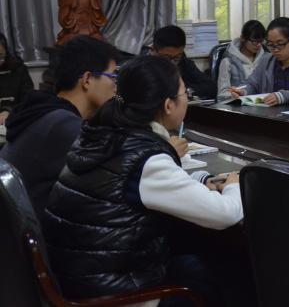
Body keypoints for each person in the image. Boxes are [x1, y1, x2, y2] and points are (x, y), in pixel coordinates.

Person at [43, 56, 245, 302]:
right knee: (229, 271)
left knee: (205, 261)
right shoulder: (145, 157)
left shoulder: (103, 134)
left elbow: (149, 186)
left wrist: (202, 182)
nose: (187, 99)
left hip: (82, 279)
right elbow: (225, 214)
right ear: (168, 105)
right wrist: (235, 184)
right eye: (185, 93)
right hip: (116, 294)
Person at [0, 36, 122, 217]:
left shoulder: (46, 111)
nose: (116, 87)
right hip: (38, 229)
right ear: (87, 79)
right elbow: (115, 175)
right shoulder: (63, 126)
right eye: (113, 77)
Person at [228, 17, 289, 107]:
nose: (275, 50)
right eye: (271, 45)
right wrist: (243, 91)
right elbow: (252, 84)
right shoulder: (267, 60)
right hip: (268, 114)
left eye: (280, 44)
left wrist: (283, 96)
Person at [151, 25, 217, 100]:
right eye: (166, 57)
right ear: (153, 50)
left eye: (176, 57)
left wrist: (184, 90)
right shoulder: (144, 67)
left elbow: (211, 87)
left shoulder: (183, 62)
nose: (172, 63)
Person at [216, 20, 268, 100]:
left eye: (261, 41)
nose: (259, 45)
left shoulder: (266, 58)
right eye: (254, 41)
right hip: (239, 103)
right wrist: (233, 95)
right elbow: (222, 94)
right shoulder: (228, 61)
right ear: (243, 38)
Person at [0, 31, 33, 124]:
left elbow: (28, 98)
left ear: (6, 51)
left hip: (15, 118)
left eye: (0, 55)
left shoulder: (18, 68)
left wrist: (9, 111)